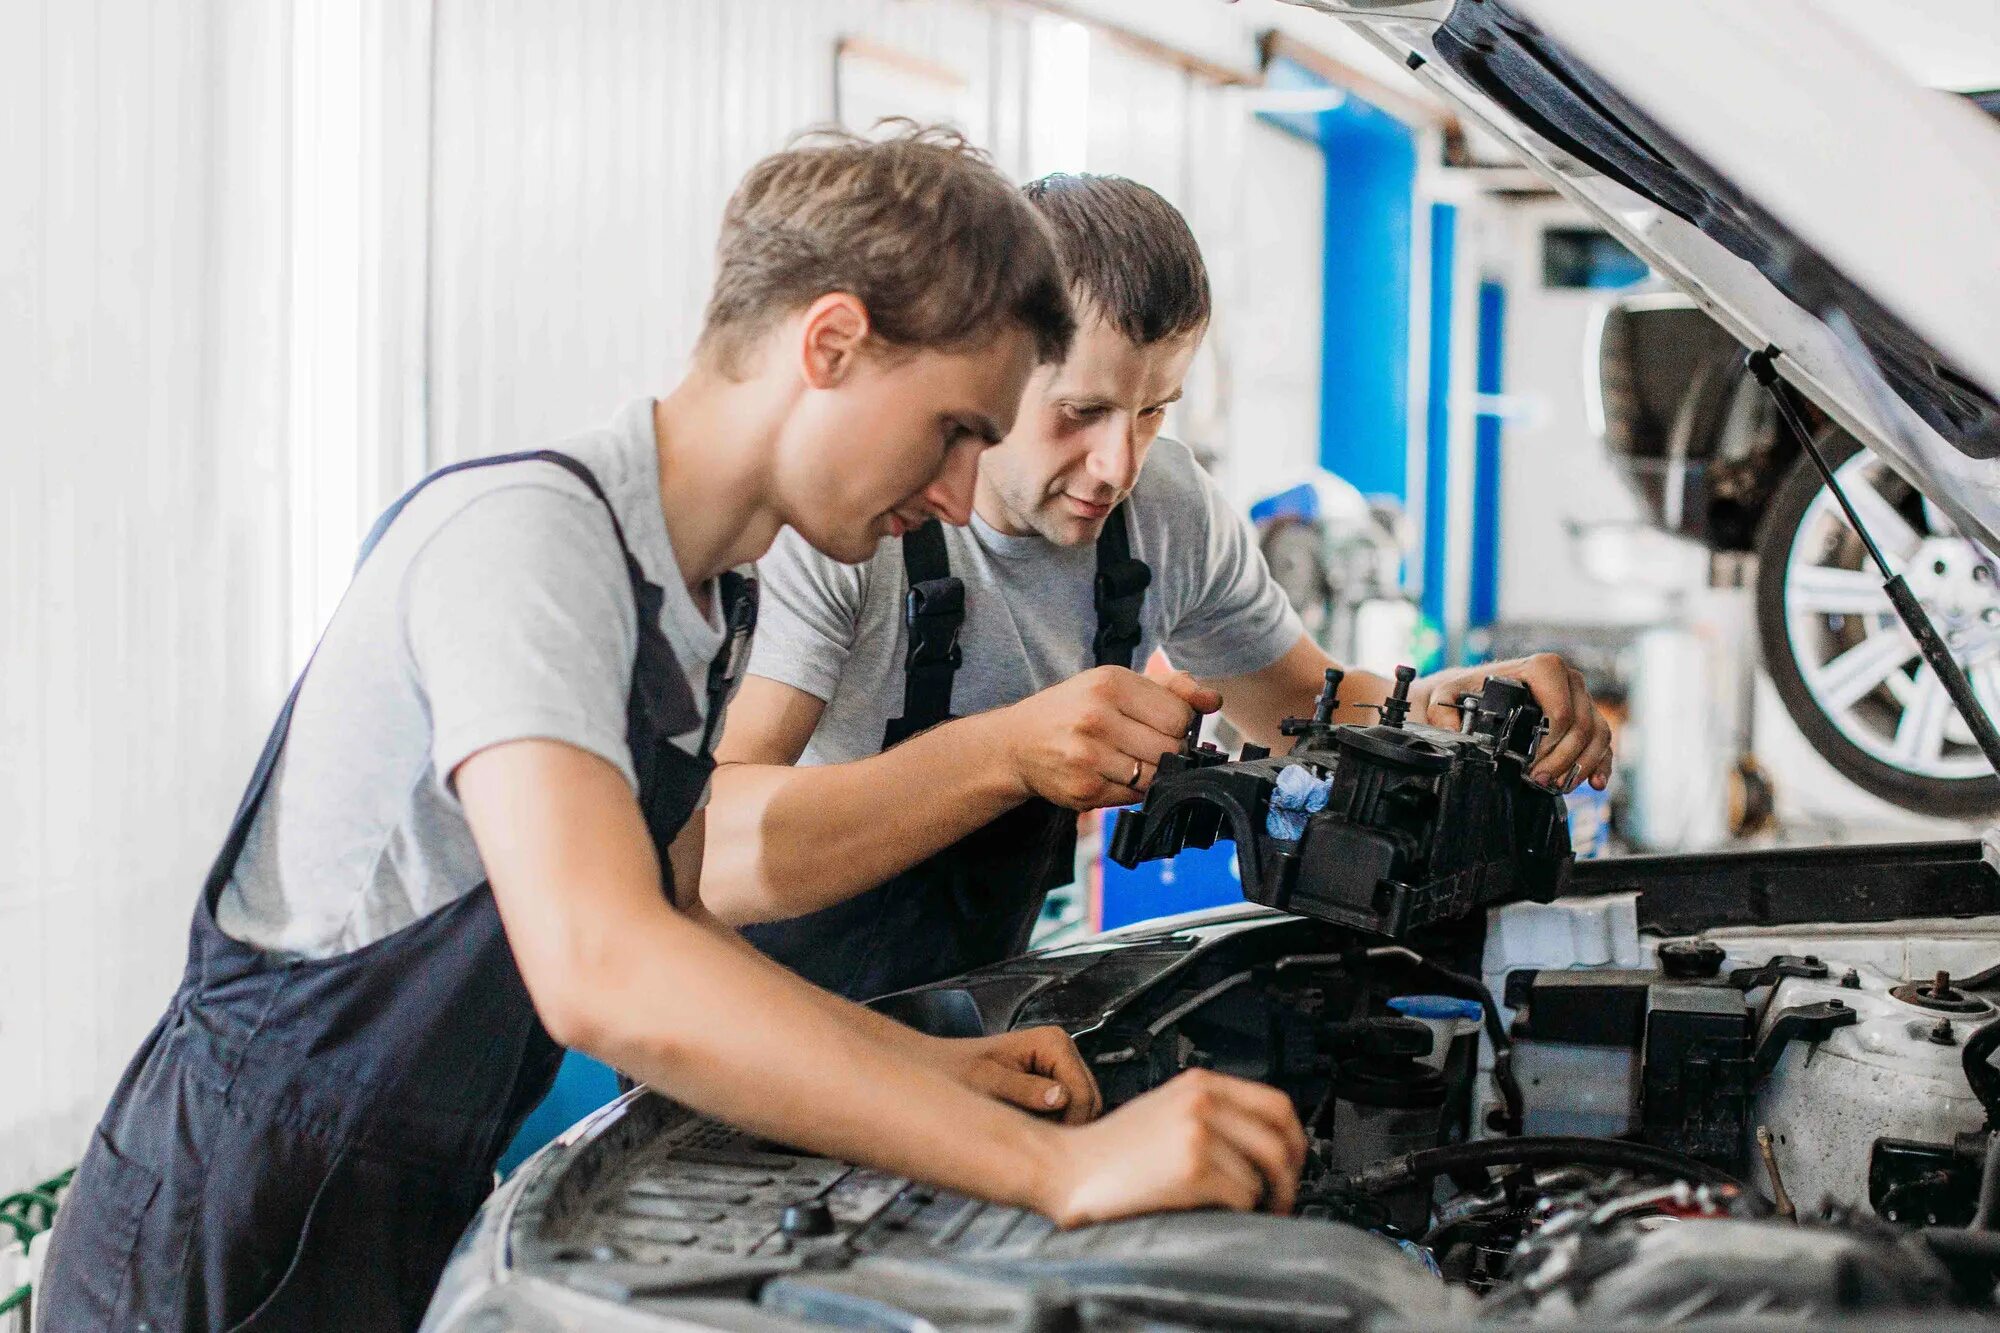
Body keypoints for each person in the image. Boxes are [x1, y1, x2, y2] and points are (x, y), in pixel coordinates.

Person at [40, 132, 1307, 1333]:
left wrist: (929, 1069)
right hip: (222, 1228)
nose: (961, 493)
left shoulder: (707, 601)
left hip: (409, 1202)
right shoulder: (528, 546)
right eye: (953, 431)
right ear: (830, 346)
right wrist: (1055, 1169)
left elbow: (686, 914)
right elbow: (603, 964)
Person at [707, 173, 1614, 1000]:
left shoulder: (1167, 509)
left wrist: (1450, 707)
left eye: (1153, 412)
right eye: (1081, 413)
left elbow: (1305, 707)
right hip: (752, 1036)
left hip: (969, 1019)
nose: (1117, 464)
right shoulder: (852, 522)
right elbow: (715, 847)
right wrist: (1008, 752)